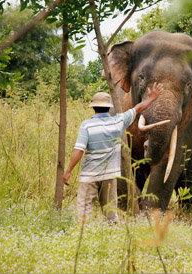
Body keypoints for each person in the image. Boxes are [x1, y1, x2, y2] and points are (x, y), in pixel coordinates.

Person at [63, 82, 164, 222]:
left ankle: (83, 235)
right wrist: (152, 98)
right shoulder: (118, 122)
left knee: (83, 212)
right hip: (110, 175)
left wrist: (68, 171)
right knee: (110, 212)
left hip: (89, 176)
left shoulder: (86, 126)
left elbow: (78, 150)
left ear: (94, 108)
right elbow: (137, 108)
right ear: (108, 108)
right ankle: (111, 231)